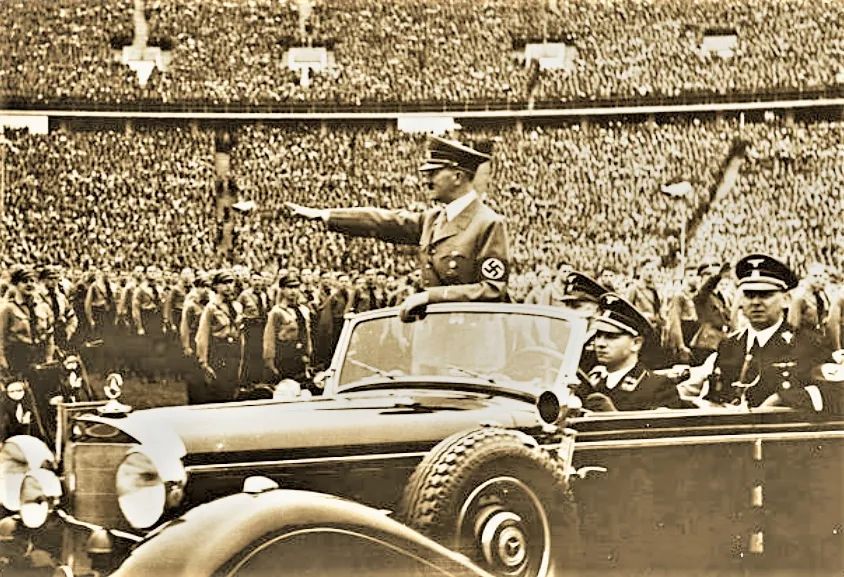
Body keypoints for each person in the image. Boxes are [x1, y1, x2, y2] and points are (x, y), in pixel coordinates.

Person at [286, 135, 510, 321]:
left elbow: (493, 289)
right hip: (434, 332)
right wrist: (325, 215)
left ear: (457, 176)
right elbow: (381, 221)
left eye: (433, 173)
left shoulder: (487, 223)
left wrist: (430, 297)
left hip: (472, 339)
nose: (426, 180)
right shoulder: (433, 220)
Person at [704, 254, 831, 407]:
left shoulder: (808, 345)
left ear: (786, 300)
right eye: (749, 295)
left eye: (765, 295)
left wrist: (783, 398)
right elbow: (714, 398)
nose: (756, 302)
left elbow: (835, 394)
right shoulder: (728, 345)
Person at [574, 293, 682, 412]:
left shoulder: (658, 386)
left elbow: (663, 424)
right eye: (598, 336)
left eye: (611, 336)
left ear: (636, 344)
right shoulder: (589, 381)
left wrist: (612, 417)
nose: (600, 343)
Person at [195, 270, 244, 403]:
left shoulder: (237, 306)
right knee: (219, 387)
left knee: (233, 386)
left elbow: (240, 333)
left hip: (233, 350)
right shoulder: (211, 308)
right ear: (215, 286)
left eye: (230, 282)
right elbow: (202, 335)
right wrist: (203, 361)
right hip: (218, 350)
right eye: (224, 283)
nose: (228, 286)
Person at [263, 271, 312, 384]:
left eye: (296, 287)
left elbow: (307, 334)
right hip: (284, 355)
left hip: (300, 355)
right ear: (282, 289)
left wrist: (308, 352)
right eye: (289, 288)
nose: (293, 291)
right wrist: (269, 360)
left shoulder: (303, 310)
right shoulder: (277, 312)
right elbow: (269, 337)